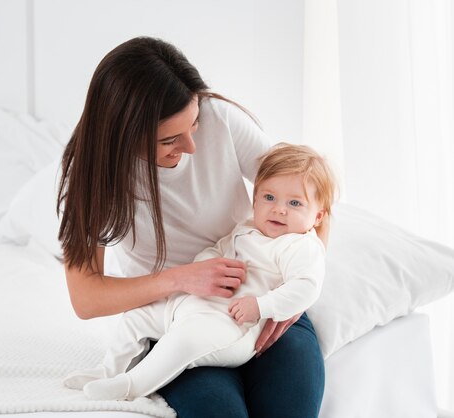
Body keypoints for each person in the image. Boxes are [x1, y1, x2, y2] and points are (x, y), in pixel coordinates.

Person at [57, 36, 328, 418]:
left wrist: (294, 297)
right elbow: (86, 298)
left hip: (264, 307)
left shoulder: (221, 119)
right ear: (123, 136)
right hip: (178, 320)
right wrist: (181, 279)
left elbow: (314, 192)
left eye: (194, 124)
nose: (191, 147)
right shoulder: (92, 178)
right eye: (169, 140)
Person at [64, 143, 336, 401]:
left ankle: (131, 386)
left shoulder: (298, 246)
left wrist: (261, 306)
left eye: (295, 204)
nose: (279, 209)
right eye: (269, 197)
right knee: (137, 315)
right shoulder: (248, 228)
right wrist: (205, 266)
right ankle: (108, 369)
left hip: (231, 325)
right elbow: (217, 250)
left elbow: (305, 287)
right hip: (190, 304)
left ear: (318, 216)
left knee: (186, 341)